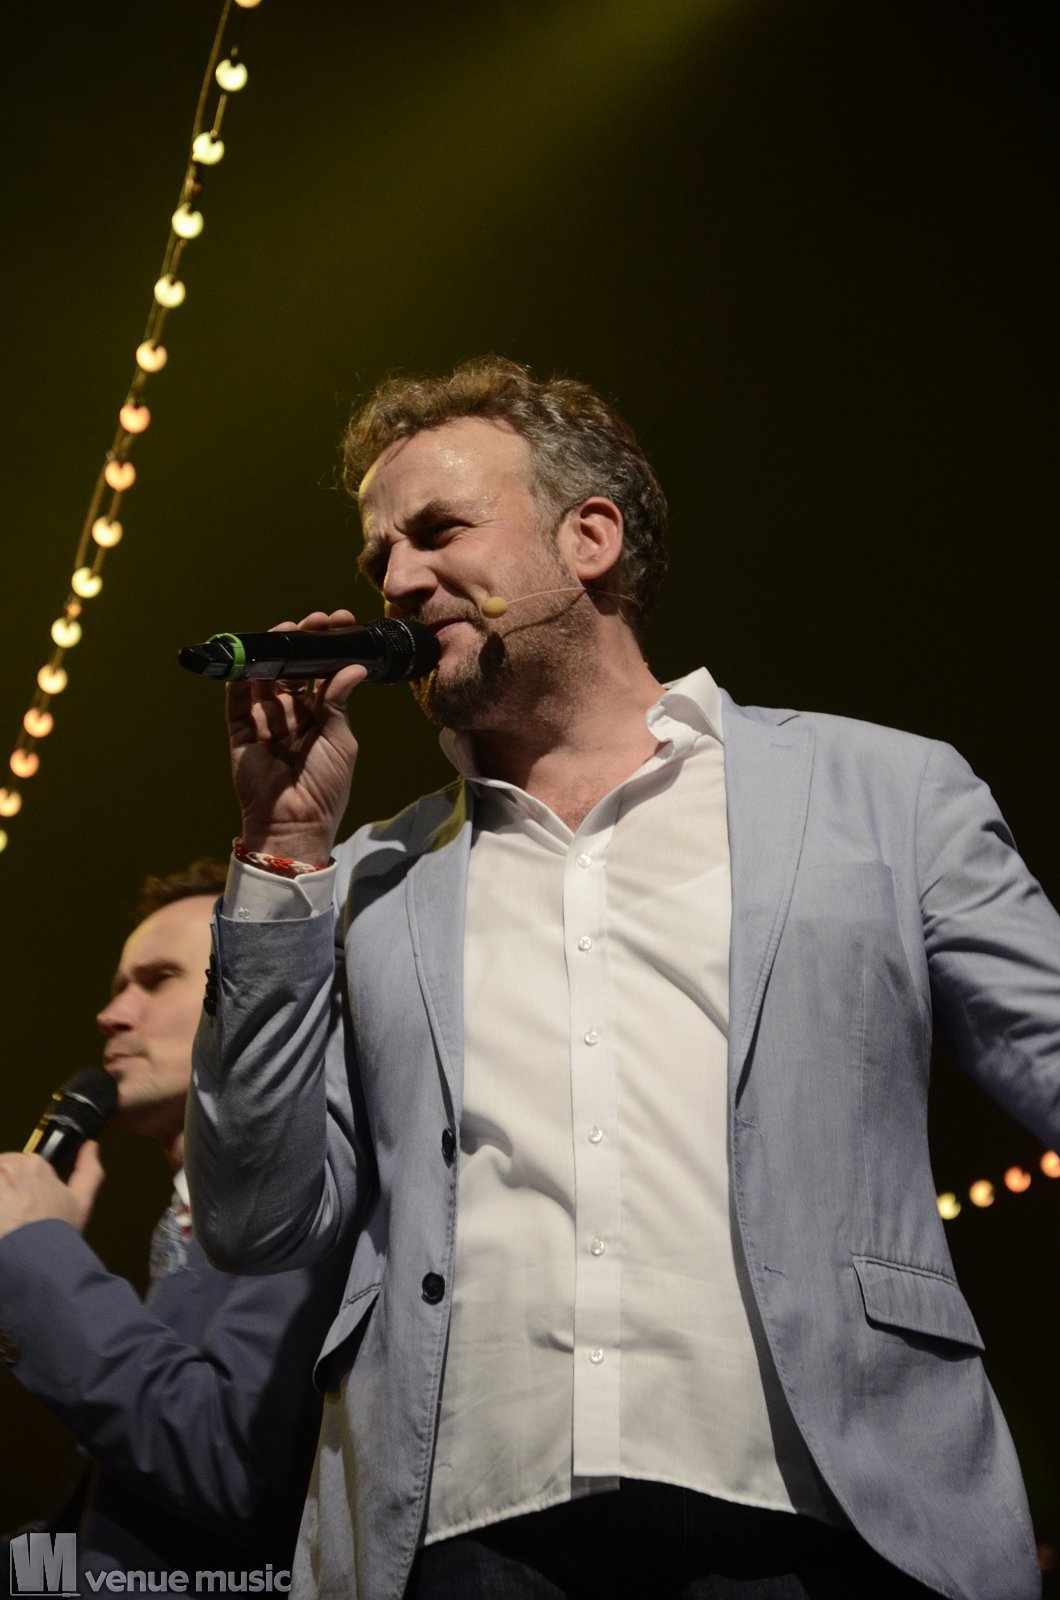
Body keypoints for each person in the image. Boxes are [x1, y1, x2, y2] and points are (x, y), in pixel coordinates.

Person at [185, 357, 1060, 1600]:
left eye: (439, 531)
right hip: (462, 1527)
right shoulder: (372, 877)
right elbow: (253, 1219)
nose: (396, 581)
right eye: (380, 556)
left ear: (588, 537)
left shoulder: (883, 793)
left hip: (832, 1510)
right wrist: (284, 848)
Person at [0, 863, 349, 1594]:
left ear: (253, 996)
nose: (111, 1014)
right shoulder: (179, 1232)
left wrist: (37, 1257)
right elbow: (110, 1548)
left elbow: (231, 1463)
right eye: (117, 986)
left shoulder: (302, 1203)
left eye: (156, 980)